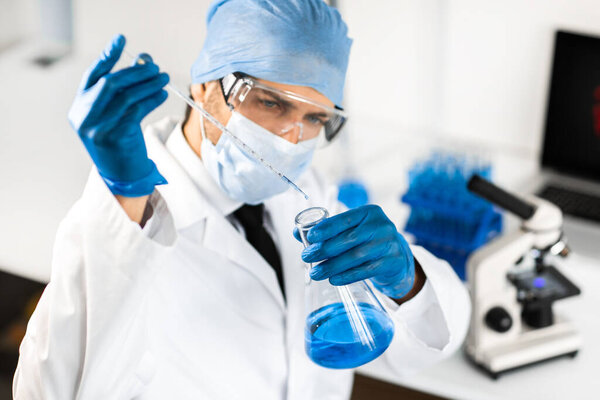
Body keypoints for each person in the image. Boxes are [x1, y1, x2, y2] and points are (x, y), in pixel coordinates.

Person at [13, 0, 470, 398]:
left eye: (315, 118)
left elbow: (421, 345)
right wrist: (123, 197)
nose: (291, 140)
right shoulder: (128, 223)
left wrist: (408, 281)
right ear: (204, 88)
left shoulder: (308, 190)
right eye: (270, 103)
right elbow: (51, 392)